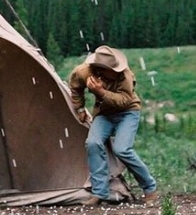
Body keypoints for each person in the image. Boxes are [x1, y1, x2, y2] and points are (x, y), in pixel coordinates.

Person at [68, 45, 158, 206]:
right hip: (104, 113)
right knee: (93, 144)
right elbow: (75, 86)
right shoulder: (84, 72)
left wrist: (101, 92)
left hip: (128, 112)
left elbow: (124, 100)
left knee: (122, 149)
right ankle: (99, 192)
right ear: (101, 69)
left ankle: (149, 189)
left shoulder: (125, 76)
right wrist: (80, 107)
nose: (118, 71)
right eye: (113, 69)